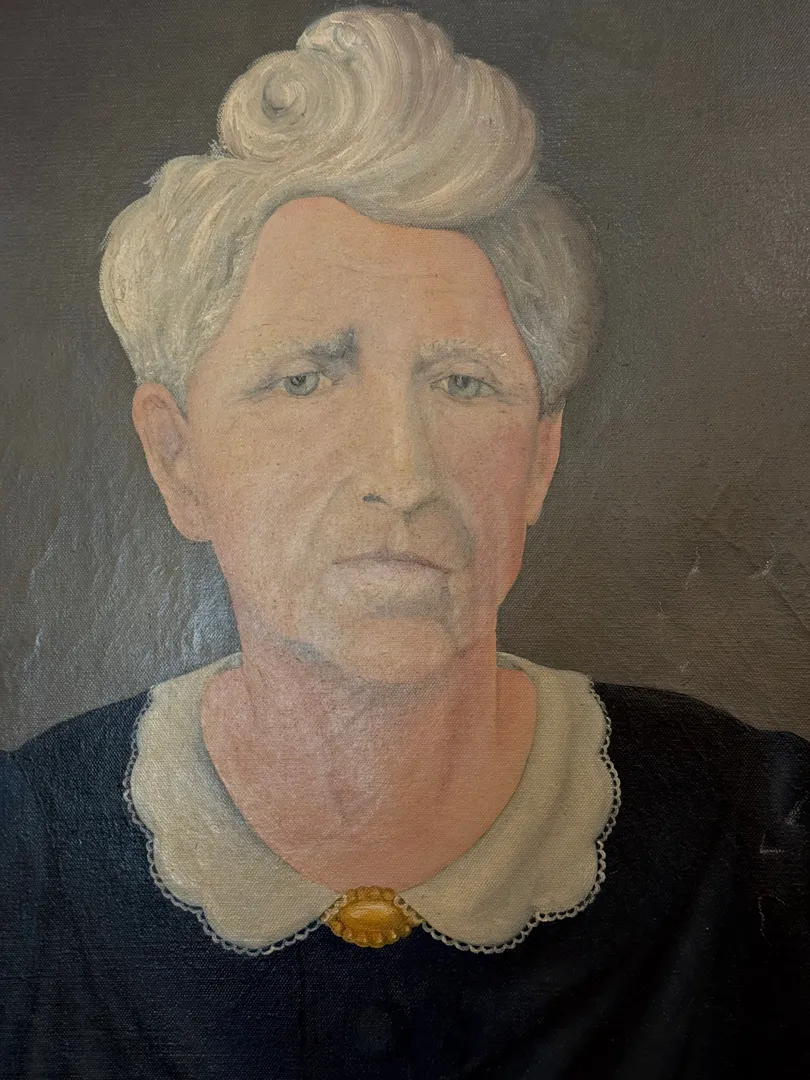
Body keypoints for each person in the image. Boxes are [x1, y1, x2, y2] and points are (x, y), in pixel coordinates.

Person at [1, 7, 807, 1078]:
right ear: (177, 456)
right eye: (305, 380)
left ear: (540, 457)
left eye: (464, 383)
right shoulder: (29, 854)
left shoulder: (752, 832)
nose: (404, 474)